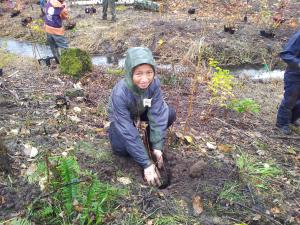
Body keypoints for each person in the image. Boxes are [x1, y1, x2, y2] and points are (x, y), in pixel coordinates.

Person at [108, 47, 176, 186]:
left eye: (149, 73)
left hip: (141, 110)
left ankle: (150, 143)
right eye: (139, 74)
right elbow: (127, 130)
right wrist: (146, 163)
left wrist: (157, 146)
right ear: (129, 73)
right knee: (120, 149)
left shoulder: (154, 84)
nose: (145, 79)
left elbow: (157, 113)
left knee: (169, 113)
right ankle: (138, 148)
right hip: (122, 118)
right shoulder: (120, 93)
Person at [276, 28, 300, 135]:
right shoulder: (299, 36)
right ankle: (282, 124)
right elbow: (286, 54)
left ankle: (291, 119)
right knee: (290, 100)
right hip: (295, 75)